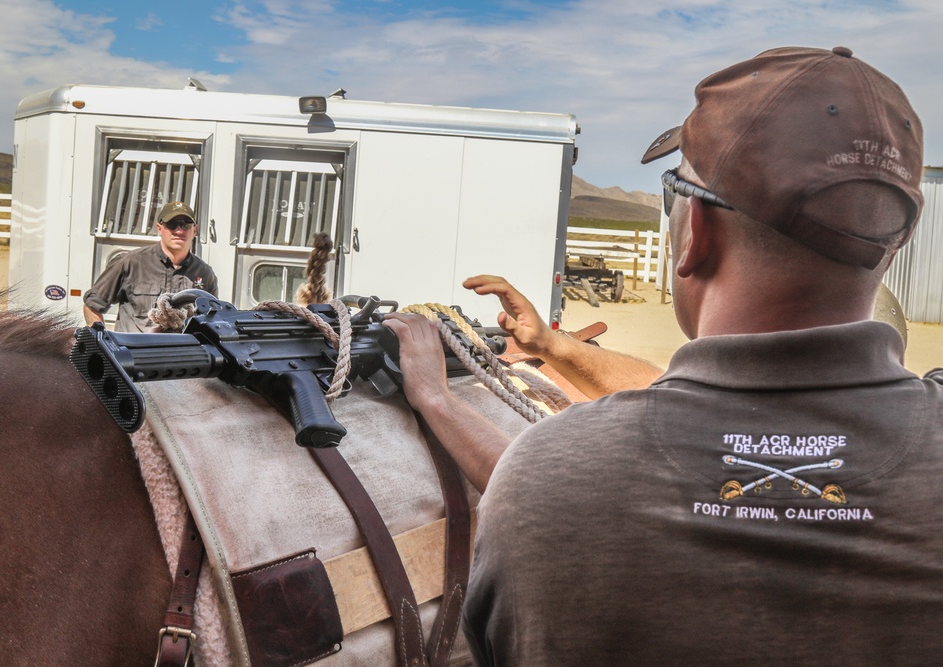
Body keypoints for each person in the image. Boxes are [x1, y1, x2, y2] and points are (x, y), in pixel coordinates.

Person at [384, 46, 943, 665]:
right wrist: (551, 347)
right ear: (892, 246)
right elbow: (690, 404)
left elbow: (624, 449)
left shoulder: (545, 479)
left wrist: (435, 399)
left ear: (692, 232)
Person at [83, 201, 218, 332]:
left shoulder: (205, 273)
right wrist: (103, 342)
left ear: (194, 230)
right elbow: (92, 305)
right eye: (172, 224)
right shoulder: (130, 262)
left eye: (185, 224)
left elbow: (213, 319)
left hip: (182, 352)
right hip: (134, 352)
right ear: (159, 228)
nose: (179, 230)